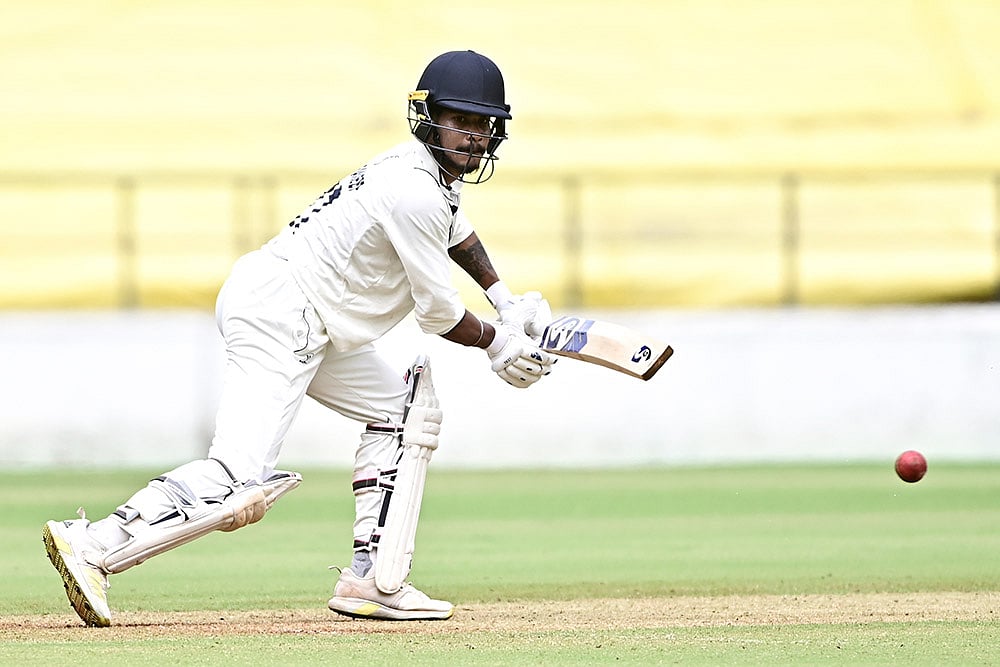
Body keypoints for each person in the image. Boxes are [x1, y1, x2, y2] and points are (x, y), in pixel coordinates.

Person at [42, 49, 555, 627]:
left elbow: (457, 231)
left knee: (402, 413)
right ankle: (91, 543)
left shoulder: (424, 175)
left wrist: (505, 298)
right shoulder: (413, 189)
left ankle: (372, 579)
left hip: (311, 317)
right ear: (428, 116)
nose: (472, 137)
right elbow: (439, 316)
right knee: (238, 480)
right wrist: (498, 342)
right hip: (283, 313)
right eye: (459, 121)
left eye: (482, 125)